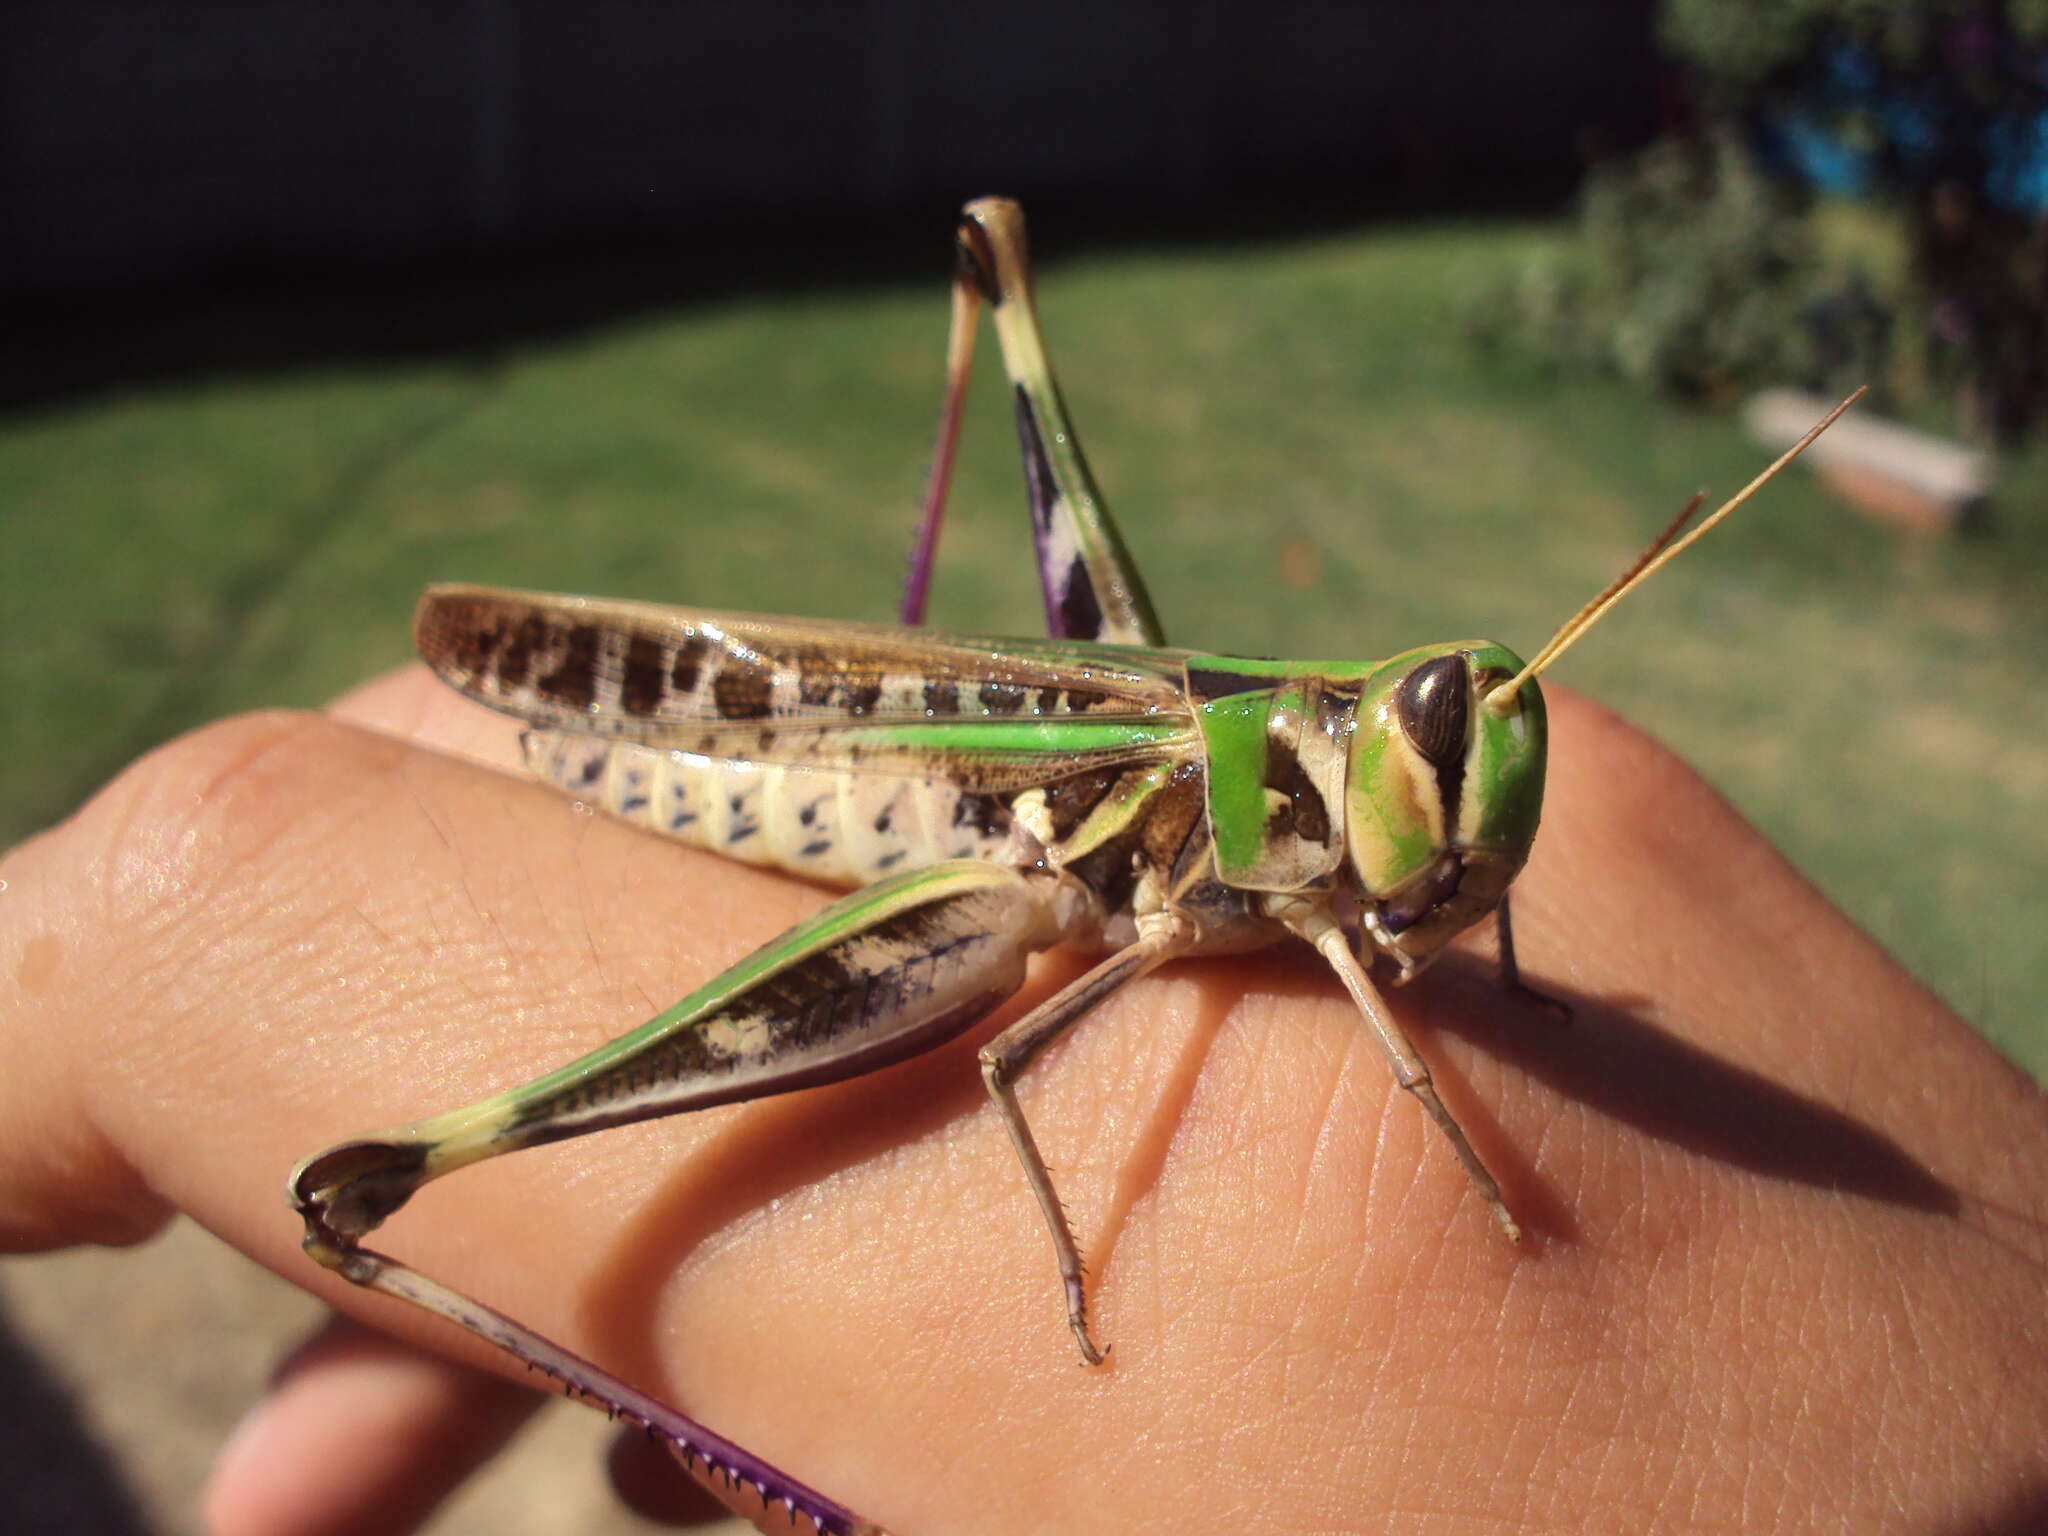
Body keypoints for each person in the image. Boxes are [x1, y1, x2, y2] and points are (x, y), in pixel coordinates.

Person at [3, 667, 2044, 1535]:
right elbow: (1000, 1061)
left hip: (1080, 824)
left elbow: (1393, 912)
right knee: (421, 1172)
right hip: (915, 818)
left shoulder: (1353, 829)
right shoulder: (1239, 830)